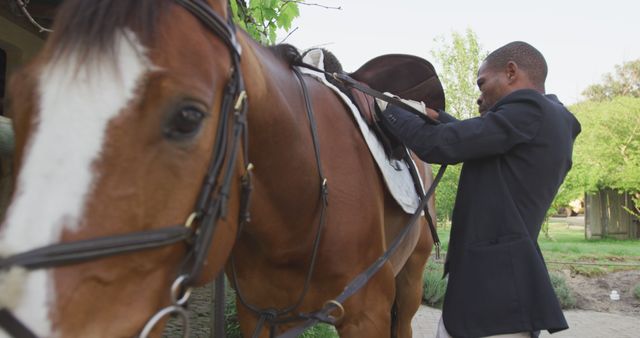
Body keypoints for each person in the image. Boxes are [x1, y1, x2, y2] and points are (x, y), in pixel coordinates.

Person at [376, 41, 581, 337]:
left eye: (482, 82)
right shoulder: (550, 119)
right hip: (498, 296)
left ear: (511, 72)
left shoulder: (532, 109)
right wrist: (436, 118)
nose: (479, 95)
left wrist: (387, 107)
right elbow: (476, 140)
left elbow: (439, 146)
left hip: (494, 300)